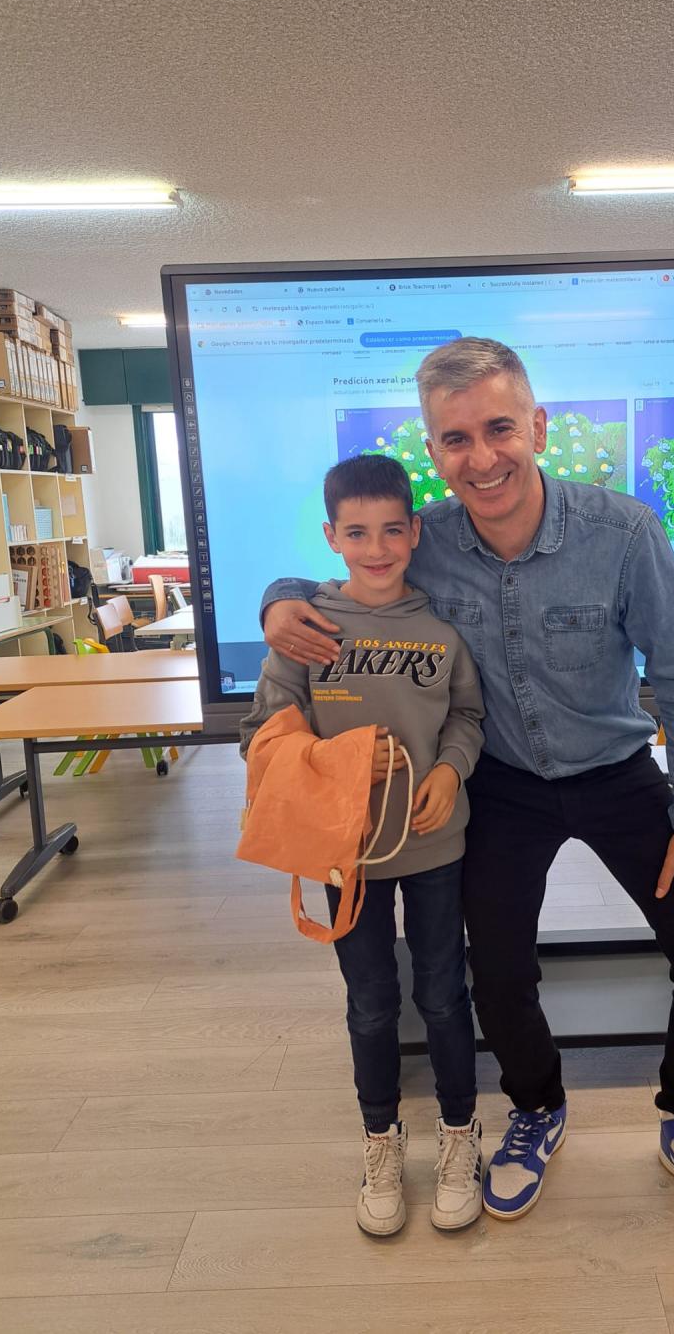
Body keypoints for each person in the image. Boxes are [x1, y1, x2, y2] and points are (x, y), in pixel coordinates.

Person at [260, 338, 674, 1250]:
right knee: (493, 973)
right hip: (499, 783)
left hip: (616, 772)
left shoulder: (623, 533)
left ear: (537, 425)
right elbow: (343, 571)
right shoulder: (427, 538)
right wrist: (278, 597)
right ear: (433, 450)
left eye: (499, 428)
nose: (482, 456)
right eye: (456, 439)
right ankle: (536, 1107)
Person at [240, 455, 485, 1237]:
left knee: (443, 994)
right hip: (346, 852)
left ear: (414, 531)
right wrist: (340, 761)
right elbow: (263, 737)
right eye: (356, 533)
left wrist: (448, 770)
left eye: (390, 530)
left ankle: (460, 1133)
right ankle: (381, 1138)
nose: (375, 548)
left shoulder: (443, 631)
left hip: (436, 843)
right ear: (331, 536)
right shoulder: (306, 630)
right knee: (372, 1000)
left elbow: (467, 717)